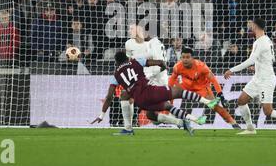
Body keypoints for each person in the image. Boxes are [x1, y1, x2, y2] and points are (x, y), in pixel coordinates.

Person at [92, 50, 220, 134]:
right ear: (127, 58)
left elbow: (109, 97)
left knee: (149, 114)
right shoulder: (135, 61)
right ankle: (207, 104)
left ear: (116, 63)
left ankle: (129, 129)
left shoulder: (115, 75)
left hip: (140, 101)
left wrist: (101, 115)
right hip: (150, 91)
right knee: (178, 92)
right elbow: (159, 62)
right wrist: (163, 67)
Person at [224, 18, 276, 135]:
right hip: (258, 78)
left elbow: (251, 60)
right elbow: (269, 59)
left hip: (266, 80)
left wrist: (232, 70)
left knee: (267, 111)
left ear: (255, 26)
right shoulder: (266, 40)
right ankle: (250, 128)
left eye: (252, 25)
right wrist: (256, 67)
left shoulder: (261, 42)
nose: (250, 27)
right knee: (241, 100)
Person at [169, 47, 240, 129]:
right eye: (183, 57)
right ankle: (173, 118)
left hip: (202, 88)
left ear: (192, 58)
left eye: (187, 57)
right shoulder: (177, 67)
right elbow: (172, 79)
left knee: (214, 106)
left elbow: (213, 80)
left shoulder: (201, 67)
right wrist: (168, 93)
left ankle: (233, 122)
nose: (185, 60)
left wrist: (221, 95)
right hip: (186, 86)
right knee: (169, 94)